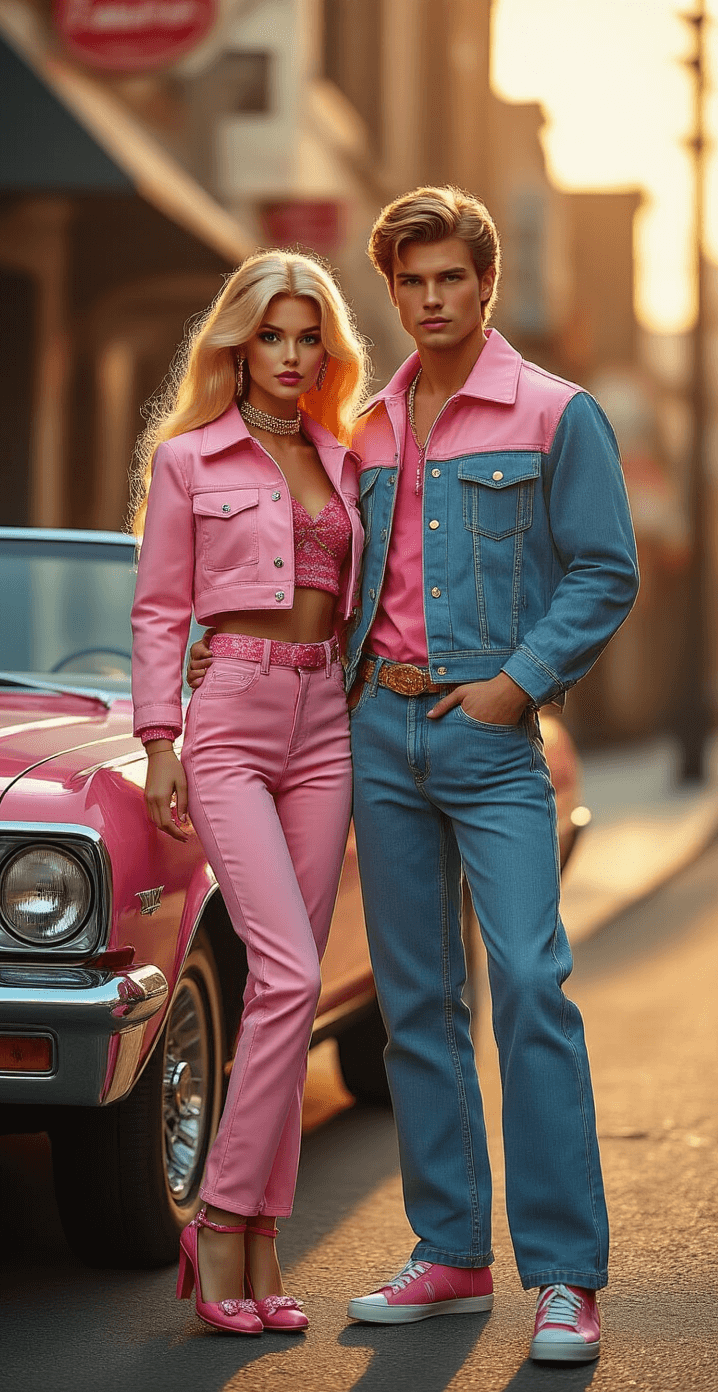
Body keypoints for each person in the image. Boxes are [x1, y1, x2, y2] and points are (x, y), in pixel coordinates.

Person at [188, 186, 639, 1363]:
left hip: (492, 740)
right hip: (374, 739)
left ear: (485, 285)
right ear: (390, 293)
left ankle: (565, 1278)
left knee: (532, 985)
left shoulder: (555, 414)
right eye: (412, 282)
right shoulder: (367, 429)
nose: (433, 300)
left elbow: (603, 573)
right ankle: (451, 1253)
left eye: (452, 278)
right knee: (415, 1010)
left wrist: (517, 685)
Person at [130, 250, 368, 1335]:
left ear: (326, 348)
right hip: (229, 718)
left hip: (326, 722)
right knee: (278, 969)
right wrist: (159, 739)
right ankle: (219, 1223)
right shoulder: (189, 460)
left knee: (298, 984)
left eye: (306, 336)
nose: (288, 355)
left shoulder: (343, 457)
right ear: (237, 343)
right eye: (269, 335)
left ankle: (265, 1249)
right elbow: (158, 610)